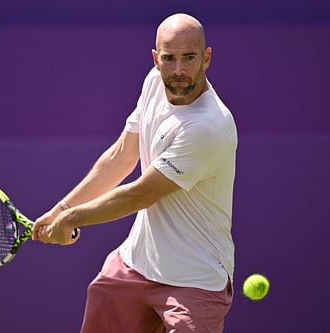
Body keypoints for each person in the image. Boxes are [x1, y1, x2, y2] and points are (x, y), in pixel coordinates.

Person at [32, 13, 237, 333]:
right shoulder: (154, 83)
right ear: (156, 59)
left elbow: (140, 193)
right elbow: (119, 157)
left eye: (189, 58)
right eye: (169, 59)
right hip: (136, 265)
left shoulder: (209, 126)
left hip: (195, 281)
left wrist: (71, 219)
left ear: (206, 58)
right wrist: (62, 209)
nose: (179, 70)